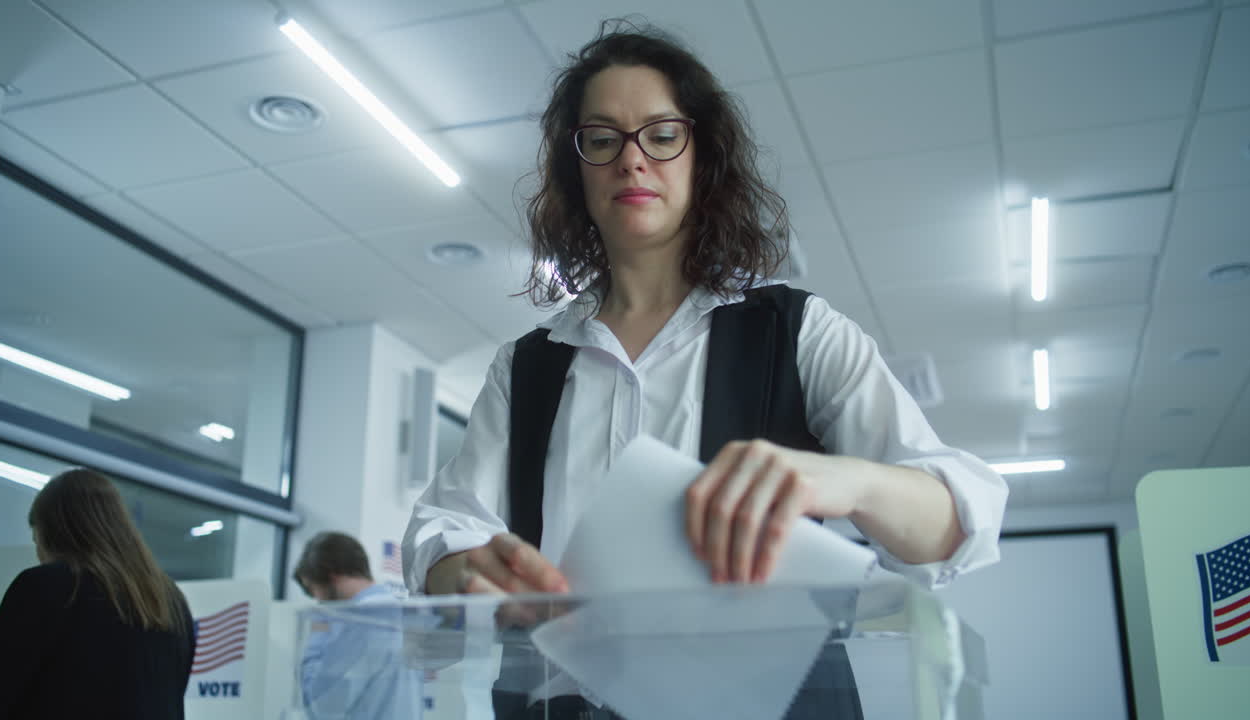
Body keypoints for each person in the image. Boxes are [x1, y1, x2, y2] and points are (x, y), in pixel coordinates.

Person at [402, 20, 1007, 718]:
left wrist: (846, 479)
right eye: (602, 140)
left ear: (702, 158)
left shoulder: (797, 331)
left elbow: (960, 525)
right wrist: (468, 570)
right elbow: (445, 533)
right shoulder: (527, 367)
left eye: (661, 135)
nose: (632, 161)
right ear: (577, 169)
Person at [0, 468, 195, 720]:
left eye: (37, 541)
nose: (39, 555)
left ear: (52, 533)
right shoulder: (169, 599)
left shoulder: (48, 586)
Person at [294, 531, 425, 719]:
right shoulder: (399, 611)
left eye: (313, 589)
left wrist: (319, 631)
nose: (317, 599)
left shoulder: (360, 620)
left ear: (332, 576)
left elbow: (321, 705)